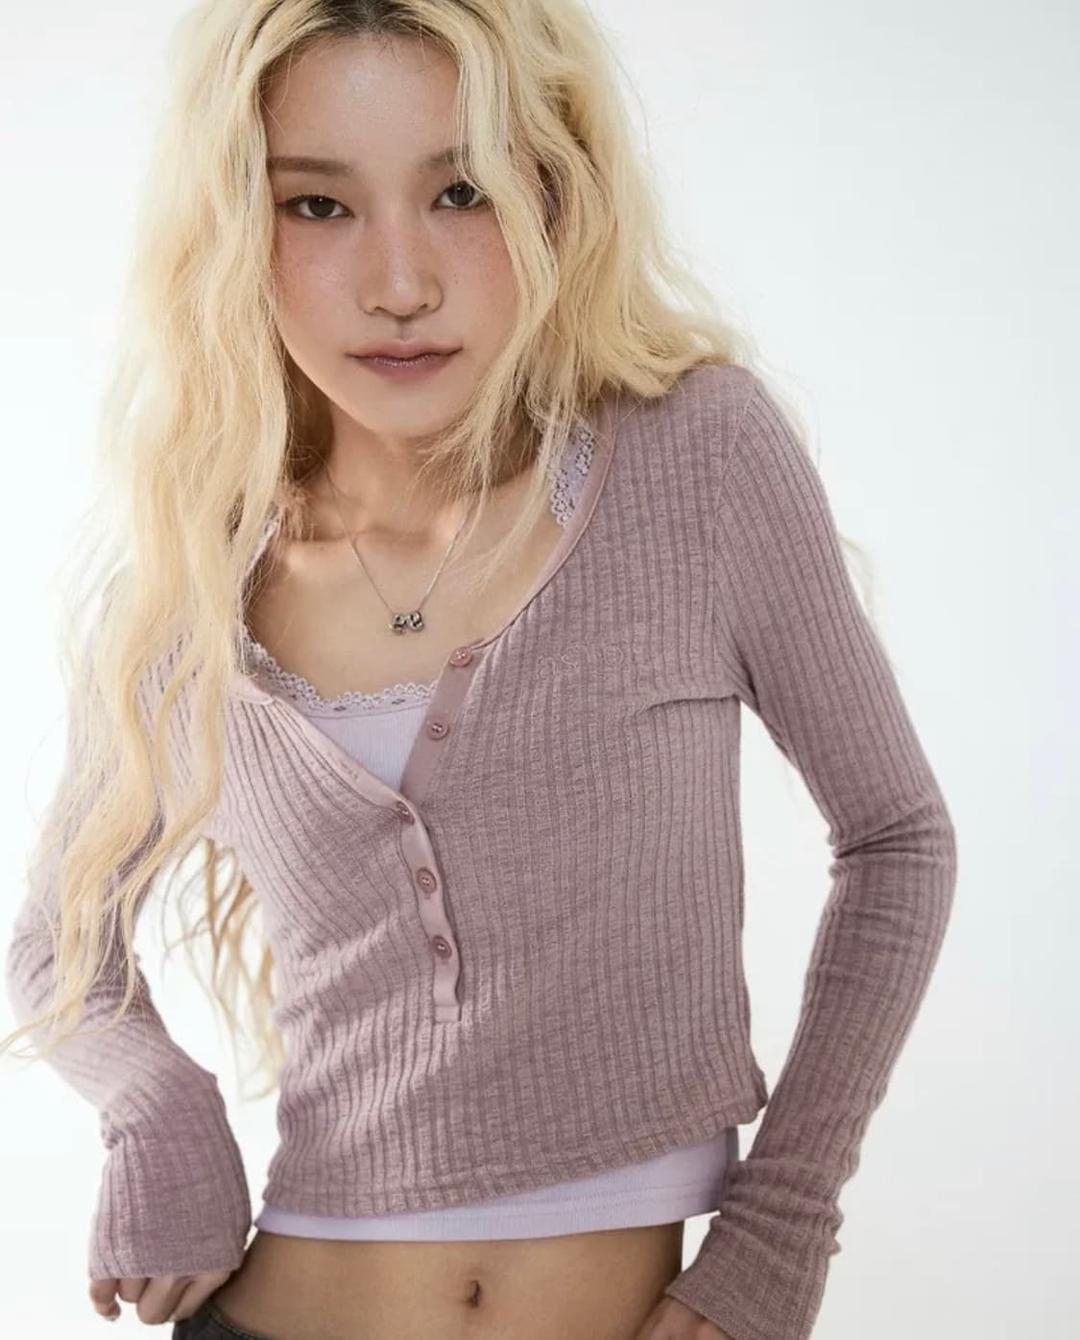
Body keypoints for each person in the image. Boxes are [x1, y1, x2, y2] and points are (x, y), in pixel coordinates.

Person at [1, 3, 958, 1339]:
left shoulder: (696, 459)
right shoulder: (198, 577)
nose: (400, 283)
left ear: (557, 196)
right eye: (317, 206)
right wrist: (157, 1112)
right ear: (232, 232)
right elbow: (59, 940)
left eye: (462, 192)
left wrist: (782, 1227)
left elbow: (897, 838)